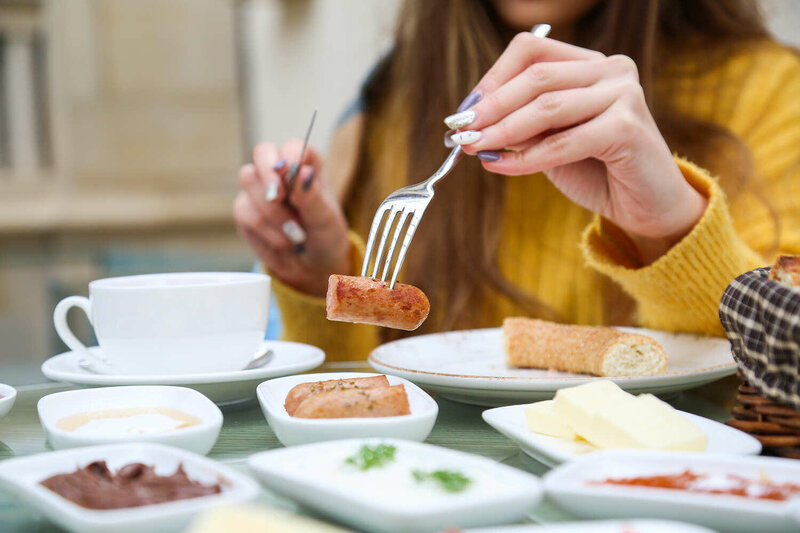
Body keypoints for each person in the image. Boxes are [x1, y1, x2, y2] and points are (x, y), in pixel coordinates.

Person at [234, 0, 800, 361]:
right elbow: (365, 383)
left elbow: (781, 378)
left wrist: (670, 227)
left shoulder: (771, 91)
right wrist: (317, 274)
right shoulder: (397, 99)